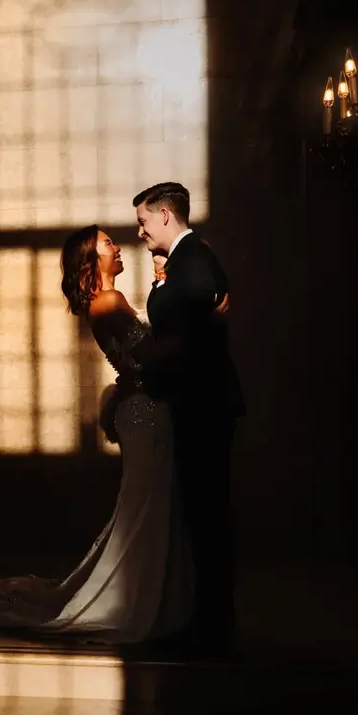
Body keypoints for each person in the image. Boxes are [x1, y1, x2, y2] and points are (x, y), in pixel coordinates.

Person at [0, 225, 192, 644]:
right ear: (91, 260)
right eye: (108, 244)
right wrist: (201, 326)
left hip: (144, 409)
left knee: (147, 508)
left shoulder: (106, 301)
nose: (117, 247)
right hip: (145, 413)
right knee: (143, 510)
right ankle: (132, 599)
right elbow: (148, 356)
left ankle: (151, 595)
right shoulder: (108, 300)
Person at [134, 181, 245, 656]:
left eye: (142, 221)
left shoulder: (193, 260)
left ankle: (213, 628)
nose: (139, 232)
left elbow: (196, 324)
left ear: (164, 215)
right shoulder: (183, 261)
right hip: (198, 401)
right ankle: (208, 621)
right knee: (201, 513)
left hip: (203, 403)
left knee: (207, 515)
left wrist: (159, 354)